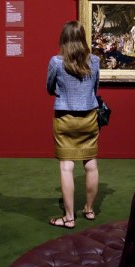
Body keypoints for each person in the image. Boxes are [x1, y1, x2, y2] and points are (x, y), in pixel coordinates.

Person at [46, 21, 101, 229]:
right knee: (91, 164)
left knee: (66, 166)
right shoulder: (94, 60)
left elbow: (49, 87)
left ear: (64, 38)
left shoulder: (56, 62)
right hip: (89, 118)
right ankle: (89, 209)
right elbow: (95, 88)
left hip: (65, 118)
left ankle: (69, 218)